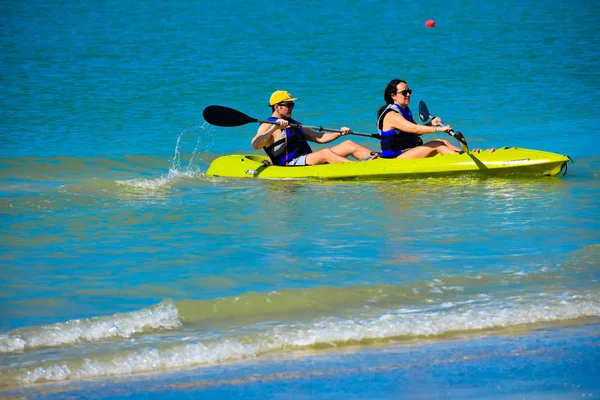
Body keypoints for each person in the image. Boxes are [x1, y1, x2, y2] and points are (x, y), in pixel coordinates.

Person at [252, 91, 378, 166]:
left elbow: (319, 138)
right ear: (276, 107)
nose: (291, 108)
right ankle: (358, 167)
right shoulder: (267, 124)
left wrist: (339, 133)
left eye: (292, 105)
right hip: (290, 164)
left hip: (307, 158)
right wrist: (274, 128)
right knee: (325, 153)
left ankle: (381, 161)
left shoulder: (294, 123)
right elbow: (256, 145)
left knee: (348, 144)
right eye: (288, 105)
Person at [376, 79, 463, 159]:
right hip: (394, 158)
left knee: (442, 141)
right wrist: (439, 129)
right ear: (393, 96)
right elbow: (415, 129)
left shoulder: (405, 111)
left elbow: (413, 133)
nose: (408, 95)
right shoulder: (392, 115)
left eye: (409, 91)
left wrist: (431, 124)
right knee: (437, 144)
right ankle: (461, 161)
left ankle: (465, 155)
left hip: (406, 152)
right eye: (404, 92)